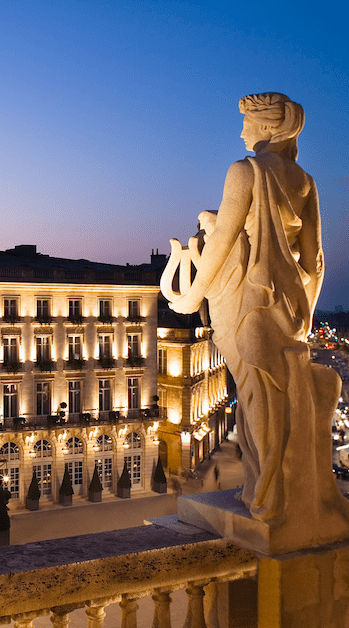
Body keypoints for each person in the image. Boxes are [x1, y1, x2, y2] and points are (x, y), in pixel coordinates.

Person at [163, 93, 349, 538]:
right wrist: (302, 313)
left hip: (245, 302)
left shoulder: (244, 171)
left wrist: (192, 297)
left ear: (268, 128)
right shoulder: (305, 181)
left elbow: (225, 238)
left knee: (255, 398)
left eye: (247, 122)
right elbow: (315, 259)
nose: (241, 131)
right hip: (286, 307)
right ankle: (272, 491)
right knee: (273, 396)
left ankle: (267, 496)